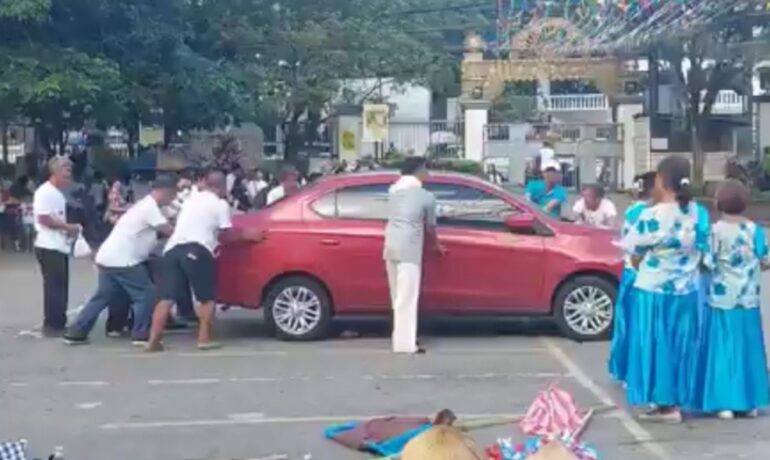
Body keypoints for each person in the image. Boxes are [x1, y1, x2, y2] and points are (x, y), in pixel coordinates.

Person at [622, 156, 709, 424]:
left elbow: (633, 253)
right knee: (681, 345)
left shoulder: (650, 215)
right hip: (686, 291)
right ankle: (679, 399)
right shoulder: (698, 213)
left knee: (655, 346)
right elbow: (707, 254)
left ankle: (664, 405)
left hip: (653, 292)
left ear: (662, 180)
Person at [146, 170, 265, 352]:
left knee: (166, 298)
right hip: (197, 249)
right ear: (223, 186)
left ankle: (153, 340)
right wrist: (249, 236)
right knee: (206, 298)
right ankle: (204, 338)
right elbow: (226, 234)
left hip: (171, 250)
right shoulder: (220, 204)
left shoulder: (191, 200)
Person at [63, 176, 178, 345]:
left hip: (110, 257)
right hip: (124, 260)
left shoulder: (146, 205)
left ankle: (77, 331)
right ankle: (141, 334)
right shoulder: (149, 208)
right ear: (165, 191)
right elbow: (167, 230)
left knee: (102, 297)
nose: (173, 198)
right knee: (145, 295)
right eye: (172, 194)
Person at [691, 180, 770, 419]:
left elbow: (705, 263)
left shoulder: (715, 231)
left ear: (718, 202)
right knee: (748, 348)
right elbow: (765, 260)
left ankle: (723, 401)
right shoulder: (754, 230)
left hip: (720, 298)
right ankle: (748, 402)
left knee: (723, 349)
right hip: (748, 299)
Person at [383, 156, 443, 354]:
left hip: (390, 245)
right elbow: (431, 228)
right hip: (409, 249)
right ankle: (405, 345)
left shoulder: (392, 191)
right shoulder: (426, 196)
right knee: (407, 299)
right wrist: (437, 247)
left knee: (397, 298)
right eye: (426, 169)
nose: (428, 173)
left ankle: (400, 340)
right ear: (418, 171)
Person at [608, 172, 655, 384]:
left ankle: (626, 369)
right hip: (642, 274)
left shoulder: (634, 210)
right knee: (641, 325)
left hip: (631, 272)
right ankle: (635, 371)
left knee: (630, 323)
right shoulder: (647, 212)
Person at [33, 157, 81, 337]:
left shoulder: (57, 193)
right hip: (49, 245)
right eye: (65, 170)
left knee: (60, 285)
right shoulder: (45, 192)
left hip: (58, 245)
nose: (69, 174)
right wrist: (68, 227)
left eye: (70, 170)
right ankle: (53, 324)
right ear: (55, 172)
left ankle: (57, 321)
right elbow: (43, 218)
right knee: (55, 287)